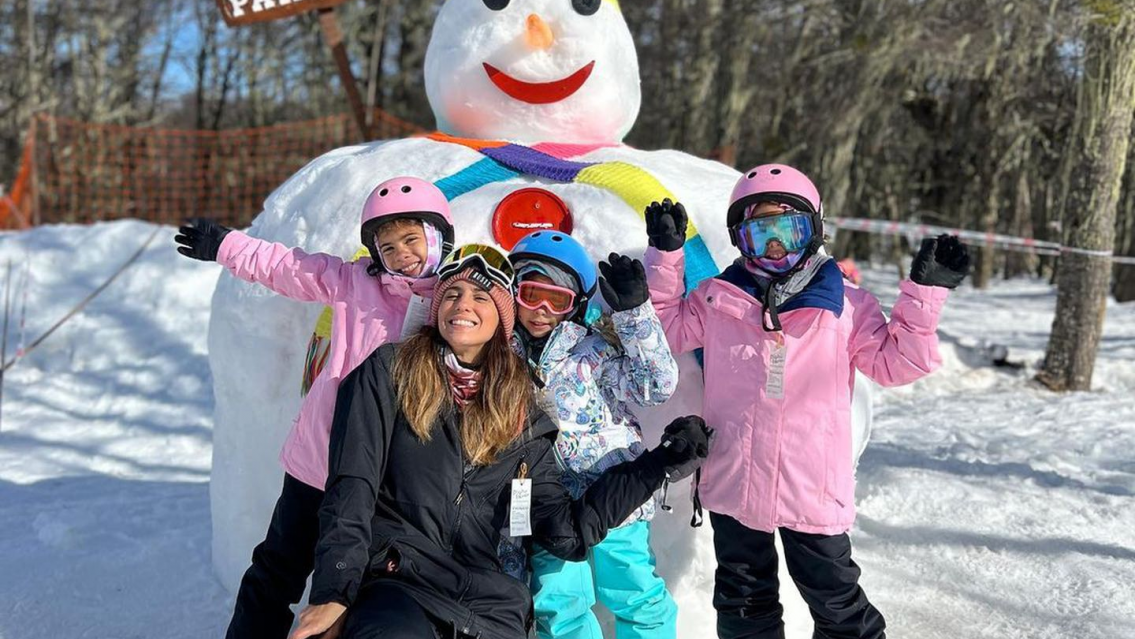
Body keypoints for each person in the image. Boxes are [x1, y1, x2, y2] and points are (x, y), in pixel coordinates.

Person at [289, 245, 711, 639]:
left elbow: (565, 529)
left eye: (481, 297)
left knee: (633, 592)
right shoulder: (391, 373)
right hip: (402, 582)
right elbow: (353, 485)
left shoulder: (523, 403)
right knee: (560, 605)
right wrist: (334, 590)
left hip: (497, 590)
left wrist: (657, 465)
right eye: (451, 294)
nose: (463, 305)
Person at [642, 164, 972, 639]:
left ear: (814, 230)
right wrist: (666, 258)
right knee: (742, 598)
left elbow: (897, 364)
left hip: (810, 485)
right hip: (736, 478)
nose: (776, 247)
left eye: (789, 231)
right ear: (739, 239)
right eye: (761, 234)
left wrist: (924, 295)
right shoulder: (718, 298)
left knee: (835, 598)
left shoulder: (847, 306)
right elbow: (666, 331)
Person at [175, 177, 455, 639]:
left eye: (412, 239)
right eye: (387, 246)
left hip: (386, 477)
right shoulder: (355, 283)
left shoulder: (453, 299)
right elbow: (288, 267)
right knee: (277, 567)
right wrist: (226, 245)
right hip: (319, 461)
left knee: (360, 588)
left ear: (438, 235)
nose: (401, 253)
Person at [507, 231, 680, 639]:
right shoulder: (500, 357)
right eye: (531, 295)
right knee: (557, 603)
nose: (542, 311)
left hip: (613, 497)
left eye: (557, 301)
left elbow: (656, 386)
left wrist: (635, 314)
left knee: (635, 592)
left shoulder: (593, 351)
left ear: (577, 305)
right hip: (547, 506)